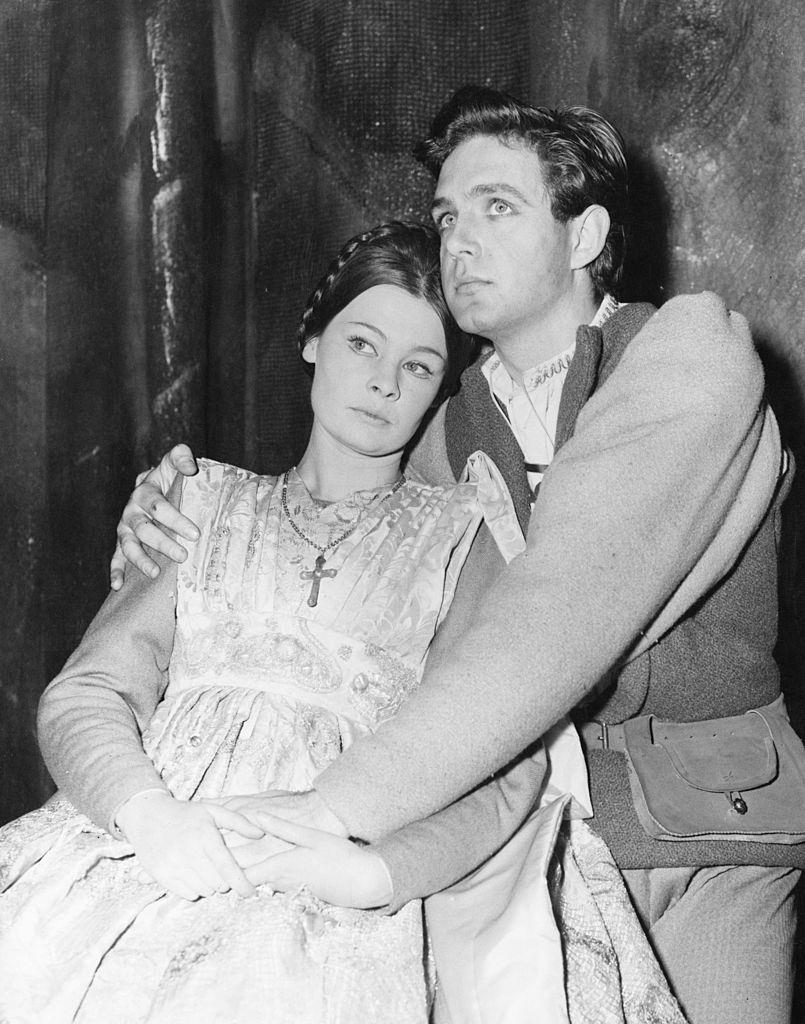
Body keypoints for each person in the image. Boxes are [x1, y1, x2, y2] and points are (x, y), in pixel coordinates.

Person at [116, 87, 801, 1024]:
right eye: (447, 216)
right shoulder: (442, 436)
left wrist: (331, 808)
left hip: (702, 836)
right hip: (512, 841)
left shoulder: (690, 351)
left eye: (496, 207)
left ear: (586, 234)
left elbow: (560, 607)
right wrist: (172, 521)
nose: (459, 240)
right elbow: (332, 544)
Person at [0, 221, 566, 1024]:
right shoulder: (200, 500)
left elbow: (504, 764)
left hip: (329, 885)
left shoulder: (463, 539)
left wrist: (375, 875)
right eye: (361, 345)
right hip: (150, 841)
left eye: (418, 366)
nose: (383, 384)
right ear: (311, 339)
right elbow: (88, 689)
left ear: (442, 389)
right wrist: (147, 815)